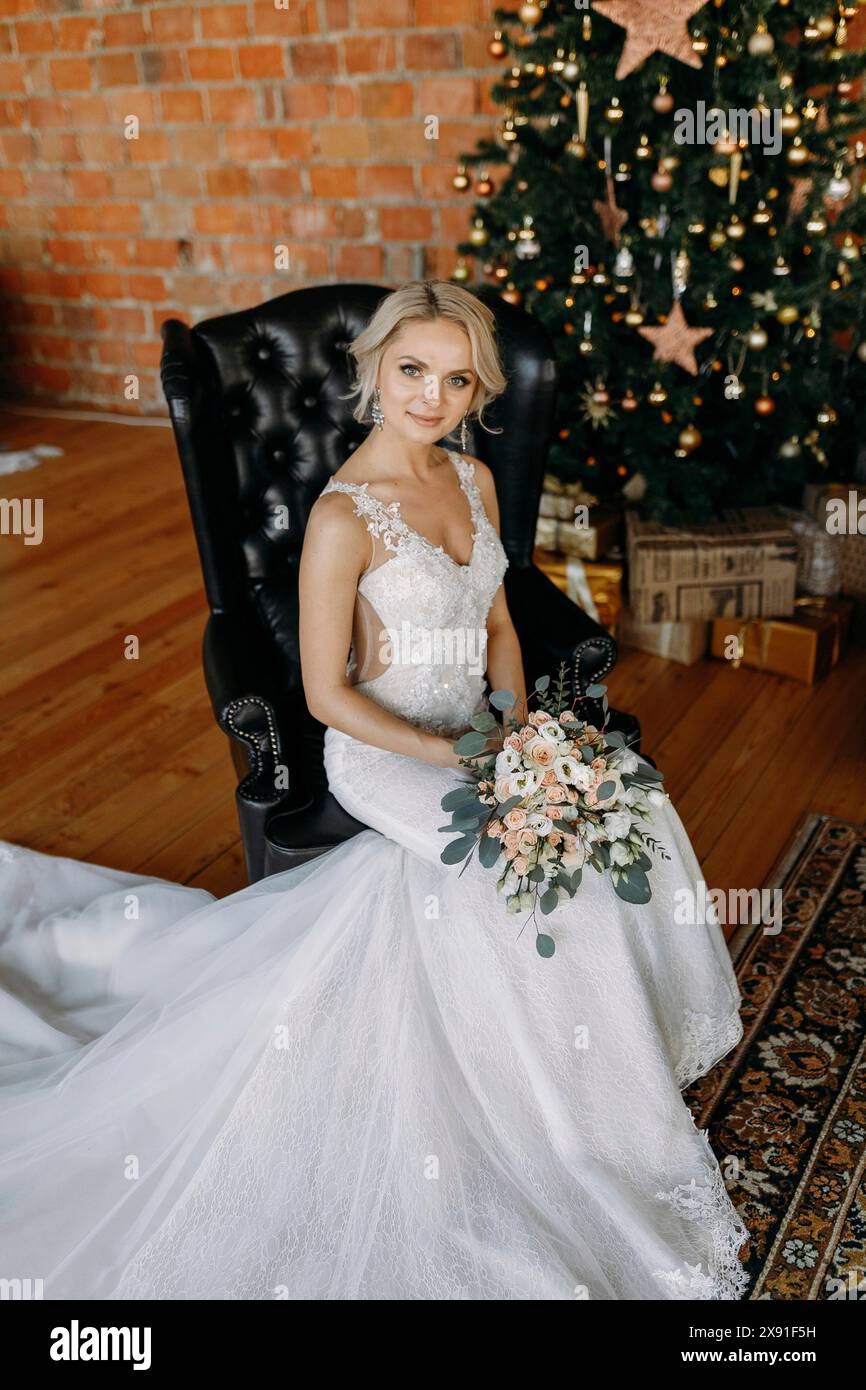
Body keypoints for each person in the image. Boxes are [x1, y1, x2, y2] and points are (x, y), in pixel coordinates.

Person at [0, 281, 749, 1301]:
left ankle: (602, 1083)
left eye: (453, 380)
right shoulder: (342, 517)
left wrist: (518, 731)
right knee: (508, 864)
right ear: (374, 371)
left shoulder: (476, 483)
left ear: (472, 388)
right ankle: (542, 1120)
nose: (431, 398)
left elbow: (493, 625)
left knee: (621, 803)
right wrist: (454, 764)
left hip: (478, 731)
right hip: (387, 742)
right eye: (411, 372)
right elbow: (322, 694)